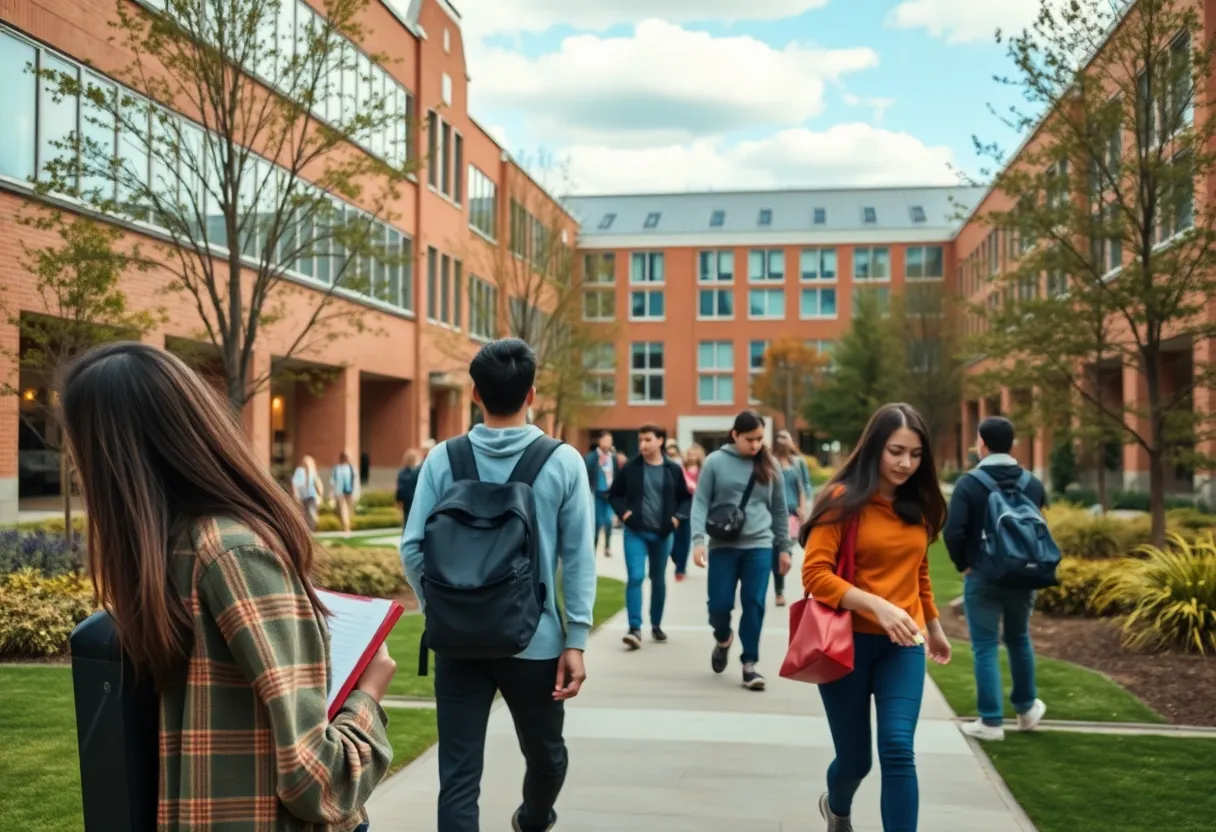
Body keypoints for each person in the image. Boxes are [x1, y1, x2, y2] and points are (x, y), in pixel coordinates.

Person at [57, 342, 395, 831]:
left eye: (79, 451)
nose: (76, 470)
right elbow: (320, 780)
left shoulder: (185, 555)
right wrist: (370, 692)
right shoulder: (231, 552)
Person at [401, 338, 596, 832]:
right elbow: (577, 558)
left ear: (473, 393)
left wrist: (444, 607)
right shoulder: (563, 460)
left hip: (457, 643)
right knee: (547, 757)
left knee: (459, 776)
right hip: (536, 642)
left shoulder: (444, 459)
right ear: (532, 394)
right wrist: (575, 638)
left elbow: (412, 548)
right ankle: (533, 819)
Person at [802, 402, 950, 832]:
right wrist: (876, 605)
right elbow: (815, 575)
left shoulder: (918, 505)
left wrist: (934, 626)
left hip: (902, 647)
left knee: (899, 749)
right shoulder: (841, 501)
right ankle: (838, 807)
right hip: (843, 648)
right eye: (896, 451)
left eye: (916, 454)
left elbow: (918, 570)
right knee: (855, 760)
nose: (906, 463)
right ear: (874, 449)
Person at [943, 416, 1048, 742]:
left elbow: (953, 532)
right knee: (1019, 639)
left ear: (981, 443)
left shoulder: (969, 483)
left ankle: (990, 722)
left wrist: (964, 564)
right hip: (1023, 573)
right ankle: (1027, 709)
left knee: (985, 646)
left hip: (983, 576)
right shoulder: (1033, 482)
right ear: (1012, 443)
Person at [690, 410, 792, 691]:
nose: (756, 445)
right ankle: (723, 639)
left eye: (760, 439)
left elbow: (779, 509)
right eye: (750, 439)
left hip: (759, 545)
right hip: (723, 546)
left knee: (754, 603)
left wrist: (784, 548)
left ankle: (750, 664)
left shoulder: (769, 464)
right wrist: (698, 541)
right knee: (719, 606)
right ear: (735, 435)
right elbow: (700, 502)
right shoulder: (715, 462)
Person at [608, 424, 692, 648]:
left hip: (663, 534)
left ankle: (656, 625)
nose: (642, 444)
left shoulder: (673, 469)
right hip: (636, 532)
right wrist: (626, 515)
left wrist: (675, 519)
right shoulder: (631, 468)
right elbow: (614, 495)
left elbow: (685, 498)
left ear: (660, 441)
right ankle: (634, 629)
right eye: (640, 440)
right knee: (636, 577)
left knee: (658, 579)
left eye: (647, 440)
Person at [773, 432, 810, 607]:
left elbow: (803, 487)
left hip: (792, 515)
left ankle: (779, 585)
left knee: (785, 551)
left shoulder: (797, 463)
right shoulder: (770, 462)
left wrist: (803, 509)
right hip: (772, 514)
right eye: (779, 438)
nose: (782, 442)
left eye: (785, 438)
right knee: (775, 552)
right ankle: (778, 591)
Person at [670, 443, 705, 582]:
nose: (691, 456)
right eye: (689, 453)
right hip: (678, 506)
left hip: (693, 507)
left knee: (685, 539)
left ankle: (680, 569)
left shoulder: (703, 471)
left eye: (694, 454)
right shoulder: (679, 469)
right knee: (674, 538)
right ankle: (675, 557)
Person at [585, 431, 620, 558]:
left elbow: (617, 474)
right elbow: (586, 474)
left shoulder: (613, 457)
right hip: (596, 493)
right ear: (599, 441)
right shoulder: (591, 457)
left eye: (610, 441)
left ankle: (607, 546)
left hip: (609, 494)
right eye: (605, 440)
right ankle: (593, 547)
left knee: (609, 521)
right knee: (597, 522)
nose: (608, 443)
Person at [291, 454, 324, 531]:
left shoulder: (313, 472)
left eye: (308, 462)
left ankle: (311, 529)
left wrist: (320, 495)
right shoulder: (299, 471)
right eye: (305, 462)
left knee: (311, 512)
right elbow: (294, 483)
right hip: (302, 496)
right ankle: (306, 529)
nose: (306, 463)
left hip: (311, 496)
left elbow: (318, 483)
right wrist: (296, 494)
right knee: (303, 513)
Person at [331, 450, 359, 534]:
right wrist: (332, 493)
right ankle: (347, 528)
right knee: (343, 509)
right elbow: (333, 481)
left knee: (349, 510)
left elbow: (355, 481)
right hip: (340, 492)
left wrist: (356, 492)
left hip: (350, 492)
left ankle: (346, 525)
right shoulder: (337, 469)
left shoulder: (352, 468)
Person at [395, 448, 423, 528]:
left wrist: (398, 500)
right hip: (415, 501)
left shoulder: (402, 472)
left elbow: (399, 488)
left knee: (407, 522)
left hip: (406, 501)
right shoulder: (418, 472)